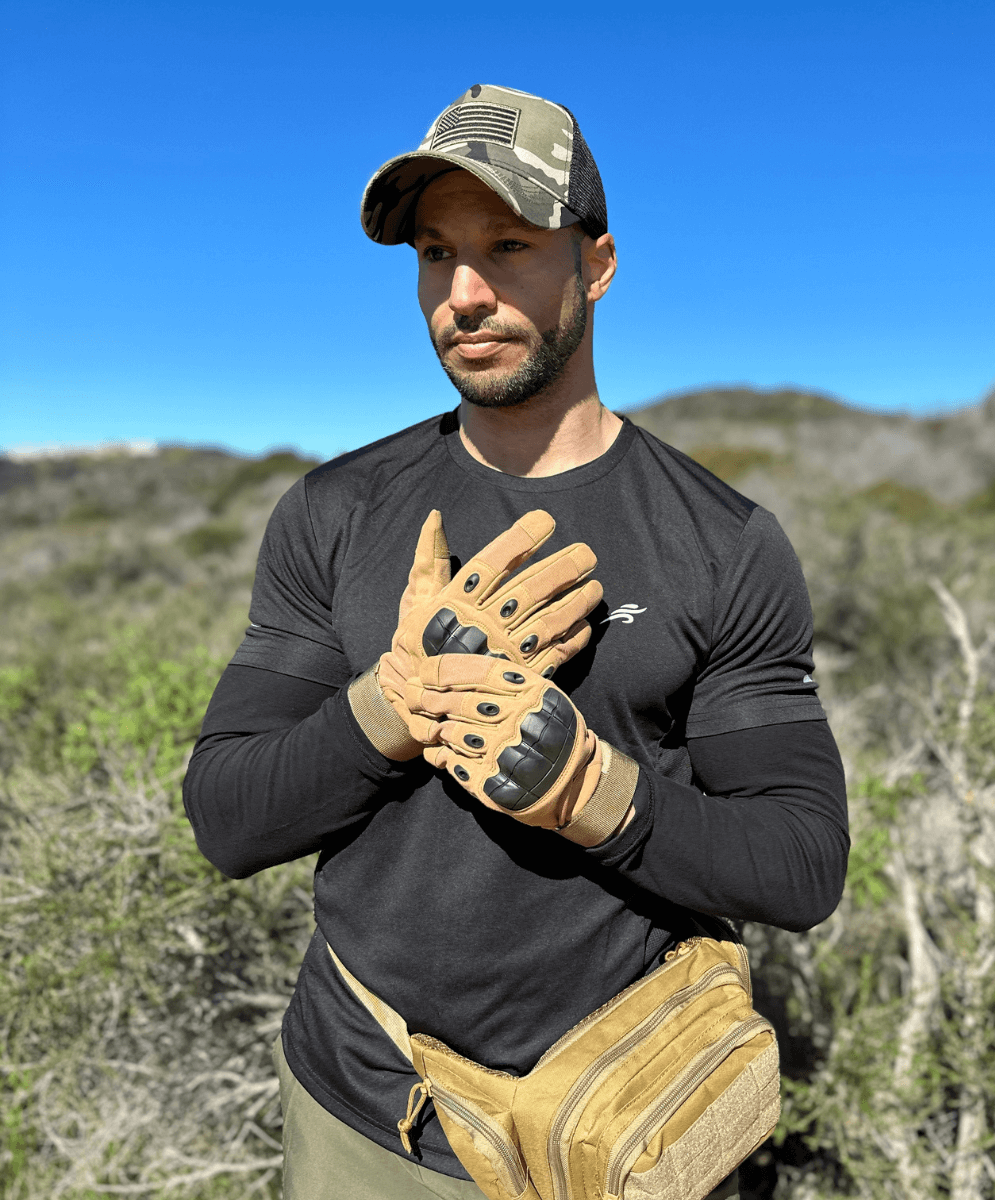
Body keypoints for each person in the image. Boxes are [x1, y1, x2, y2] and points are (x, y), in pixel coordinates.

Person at [183, 83, 849, 1200]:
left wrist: (591, 789)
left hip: (626, 1117)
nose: (466, 294)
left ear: (597, 262)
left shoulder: (724, 542)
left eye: (510, 245)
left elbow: (798, 862)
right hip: (368, 1110)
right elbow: (229, 817)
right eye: (435, 254)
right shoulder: (335, 511)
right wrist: (391, 705)